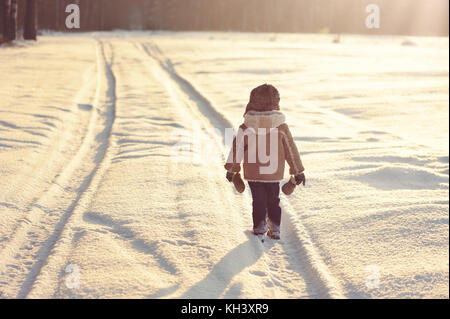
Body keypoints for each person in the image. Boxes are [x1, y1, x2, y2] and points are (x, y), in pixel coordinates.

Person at [224, 84, 305, 239]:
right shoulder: (281, 127)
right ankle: (275, 228)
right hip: (273, 173)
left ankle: (260, 226)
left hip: (253, 173)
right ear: (276, 104)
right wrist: (297, 170)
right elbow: (290, 149)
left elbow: (237, 149)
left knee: (258, 201)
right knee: (273, 200)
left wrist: (232, 169)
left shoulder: (246, 127)